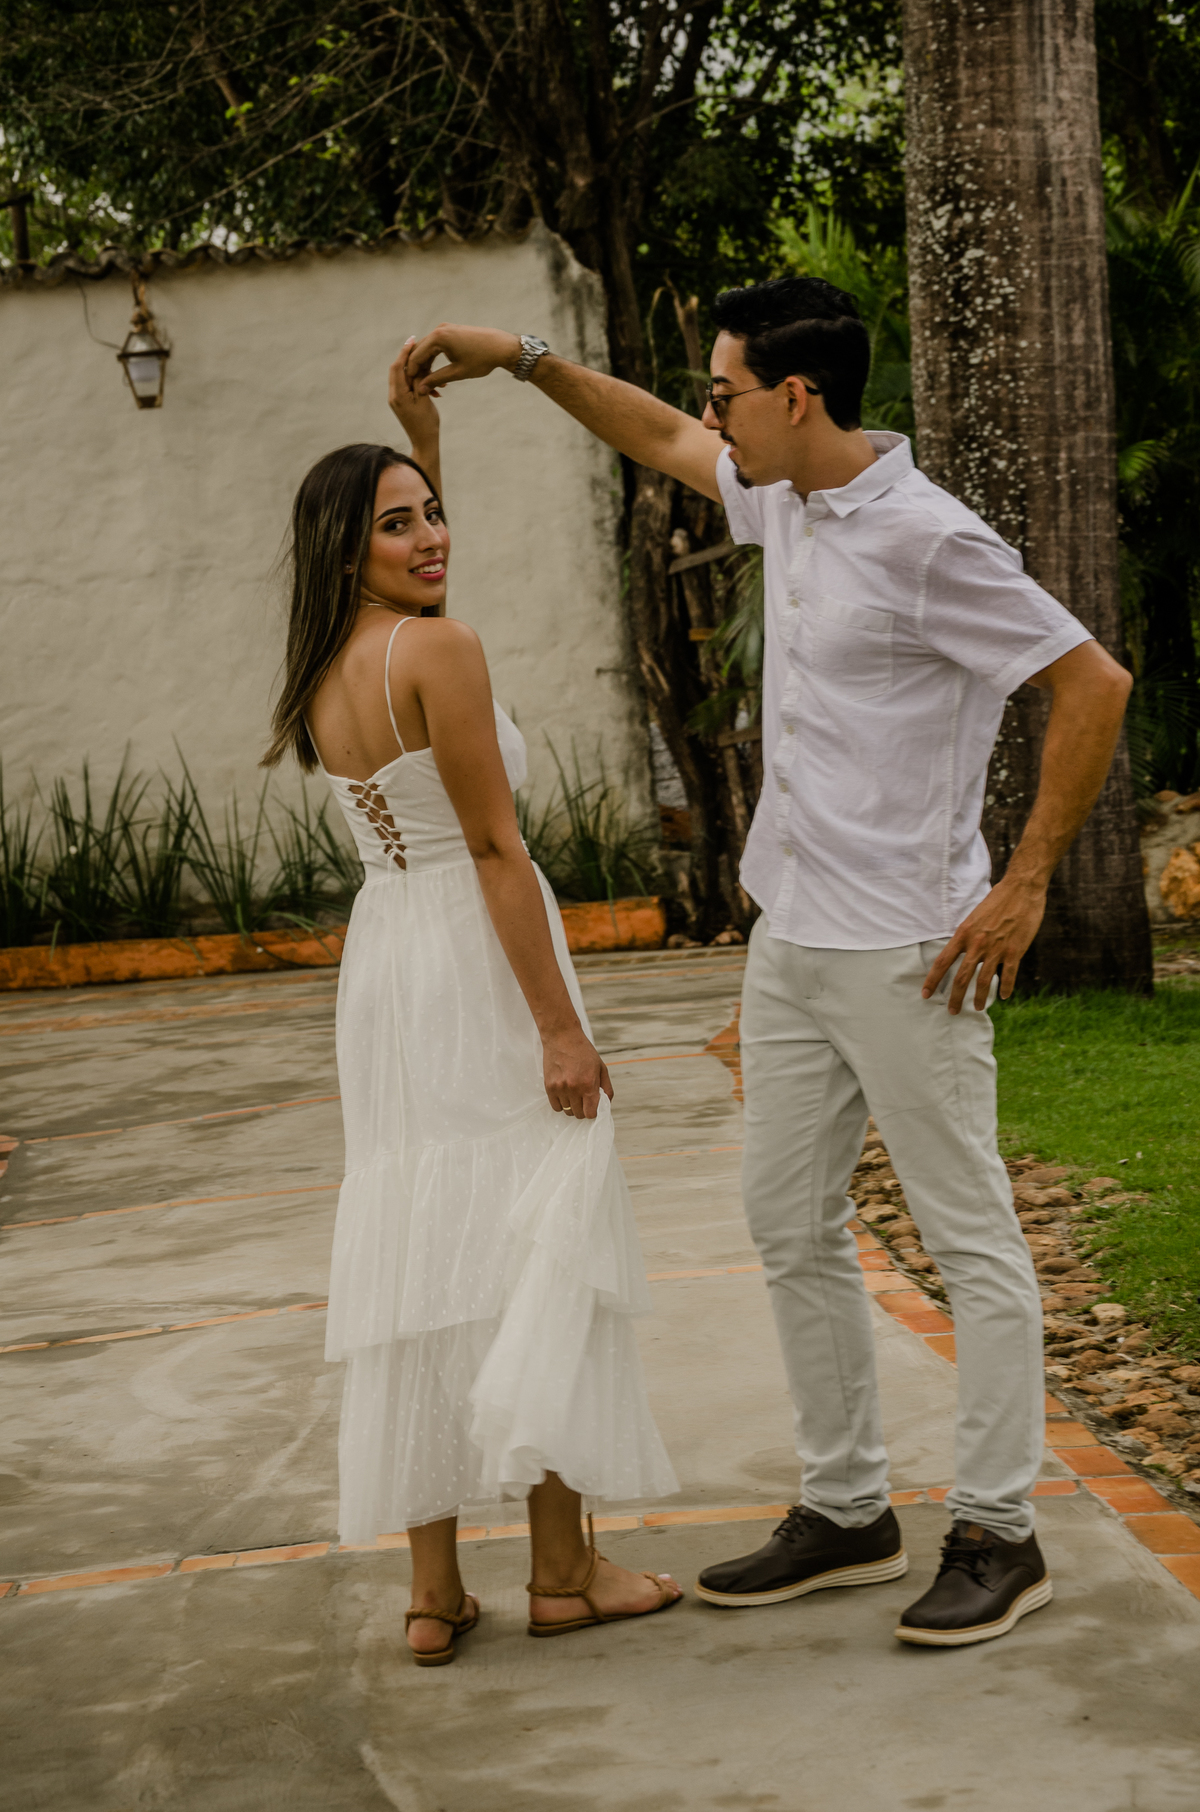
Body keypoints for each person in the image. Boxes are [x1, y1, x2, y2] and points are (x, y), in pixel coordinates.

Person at [403, 284, 1133, 1647]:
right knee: (788, 1224)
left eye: (726, 390)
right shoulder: (780, 497)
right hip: (792, 935)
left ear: (799, 397)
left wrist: (1028, 881)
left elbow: (1092, 682)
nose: (711, 412)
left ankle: (1001, 1531)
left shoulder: (930, 539)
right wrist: (523, 359)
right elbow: (656, 436)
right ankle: (849, 1509)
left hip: (912, 950)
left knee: (969, 1240)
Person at [262, 343, 682, 1667]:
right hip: (479, 953)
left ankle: (433, 1595)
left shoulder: (331, 662)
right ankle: (562, 1571)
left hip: (391, 960)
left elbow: (422, 614)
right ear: (349, 549)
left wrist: (417, 445)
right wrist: (560, 1027)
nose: (433, 536)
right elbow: (496, 848)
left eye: (432, 513)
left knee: (424, 1254)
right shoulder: (439, 650)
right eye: (400, 523)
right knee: (540, 1232)